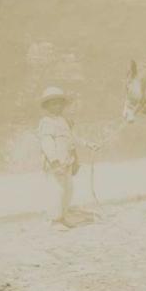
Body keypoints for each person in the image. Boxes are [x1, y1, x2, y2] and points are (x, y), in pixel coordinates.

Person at [38, 86, 100, 230]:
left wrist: (88, 144)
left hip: (67, 162)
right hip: (56, 163)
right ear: (47, 106)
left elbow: (73, 137)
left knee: (68, 190)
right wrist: (54, 160)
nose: (57, 106)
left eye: (59, 103)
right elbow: (46, 143)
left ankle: (63, 216)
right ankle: (55, 220)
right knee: (57, 191)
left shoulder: (63, 121)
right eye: (53, 103)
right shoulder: (46, 122)